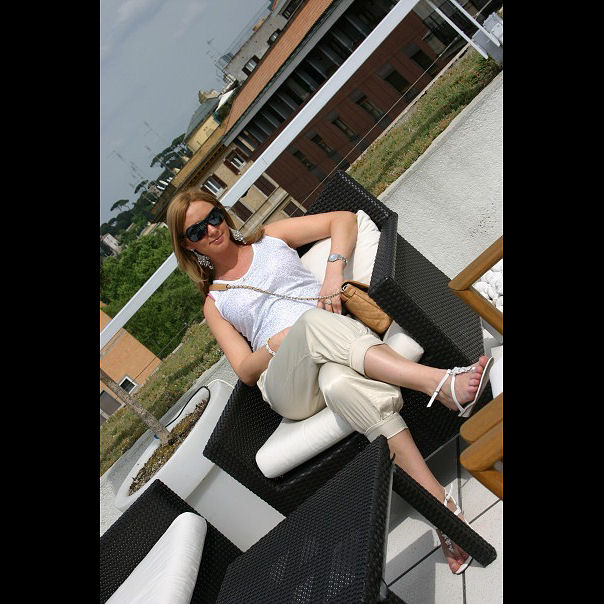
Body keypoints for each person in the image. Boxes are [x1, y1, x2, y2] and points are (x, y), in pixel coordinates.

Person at [166, 187, 493, 575]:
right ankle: (437, 384)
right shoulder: (215, 302)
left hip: (335, 353)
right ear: (189, 247)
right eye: (197, 231)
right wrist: (274, 344)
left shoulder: (270, 237)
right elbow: (245, 371)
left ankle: (443, 512)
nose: (211, 230)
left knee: (342, 386)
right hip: (287, 383)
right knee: (309, 324)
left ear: (224, 214)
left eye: (213, 217)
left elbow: (344, 219)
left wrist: (333, 273)